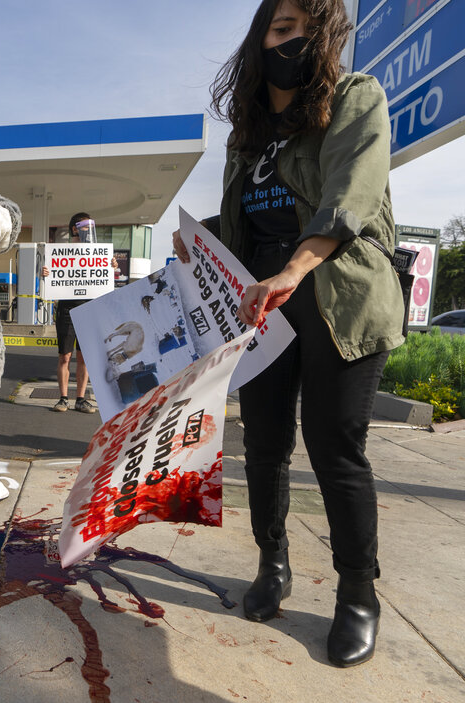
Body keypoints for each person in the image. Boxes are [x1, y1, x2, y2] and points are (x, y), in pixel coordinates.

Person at [172, 0, 404, 667]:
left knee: (336, 448)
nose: (294, 38)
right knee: (266, 444)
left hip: (337, 293)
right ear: (257, 42)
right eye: (280, 27)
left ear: (326, 37)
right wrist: (201, 244)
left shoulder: (355, 98)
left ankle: (359, 595)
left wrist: (297, 267)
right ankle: (273, 564)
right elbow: (248, 223)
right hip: (263, 304)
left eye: (308, 26)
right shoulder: (248, 136)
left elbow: (350, 193)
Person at [41, 212, 100, 413]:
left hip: (89, 308)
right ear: (75, 228)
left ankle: (81, 399)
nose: (88, 231)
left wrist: (112, 267)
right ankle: (63, 398)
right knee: (64, 357)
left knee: (84, 358)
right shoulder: (61, 252)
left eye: (90, 227)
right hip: (67, 309)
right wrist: (46, 274)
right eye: (84, 227)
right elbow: (52, 278)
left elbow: (104, 277)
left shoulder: (97, 253)